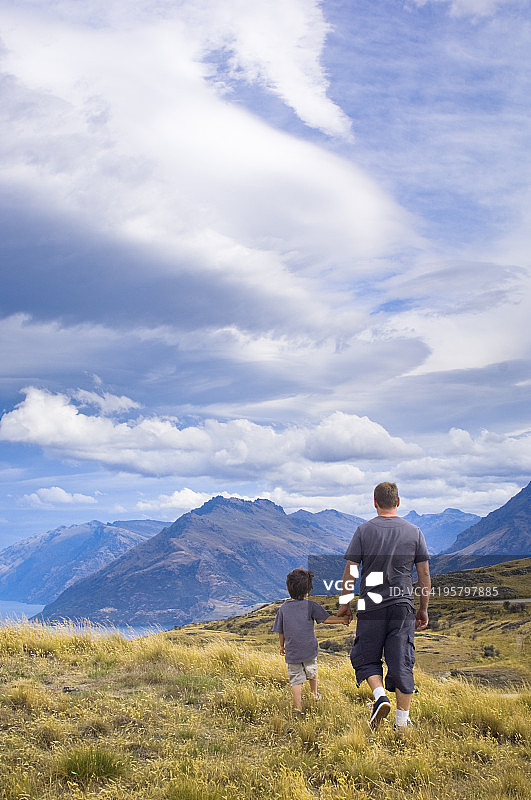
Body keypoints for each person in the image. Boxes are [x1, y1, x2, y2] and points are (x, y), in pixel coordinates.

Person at [337, 482, 431, 731]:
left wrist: (345, 604)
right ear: (398, 502)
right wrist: (423, 608)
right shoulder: (415, 532)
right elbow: (423, 575)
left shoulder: (363, 531)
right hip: (402, 605)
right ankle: (402, 724)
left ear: (375, 503)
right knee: (402, 661)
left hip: (371, 604)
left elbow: (350, 572)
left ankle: (380, 696)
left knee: (366, 657)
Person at [272, 568, 349, 713]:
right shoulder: (311, 606)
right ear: (308, 590)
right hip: (309, 649)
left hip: (292, 651)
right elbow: (326, 620)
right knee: (312, 672)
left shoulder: (283, 609)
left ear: (289, 588)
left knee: (296, 680)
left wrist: (282, 646)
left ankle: (297, 708)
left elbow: (281, 631)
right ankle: (314, 694)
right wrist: (343, 620)